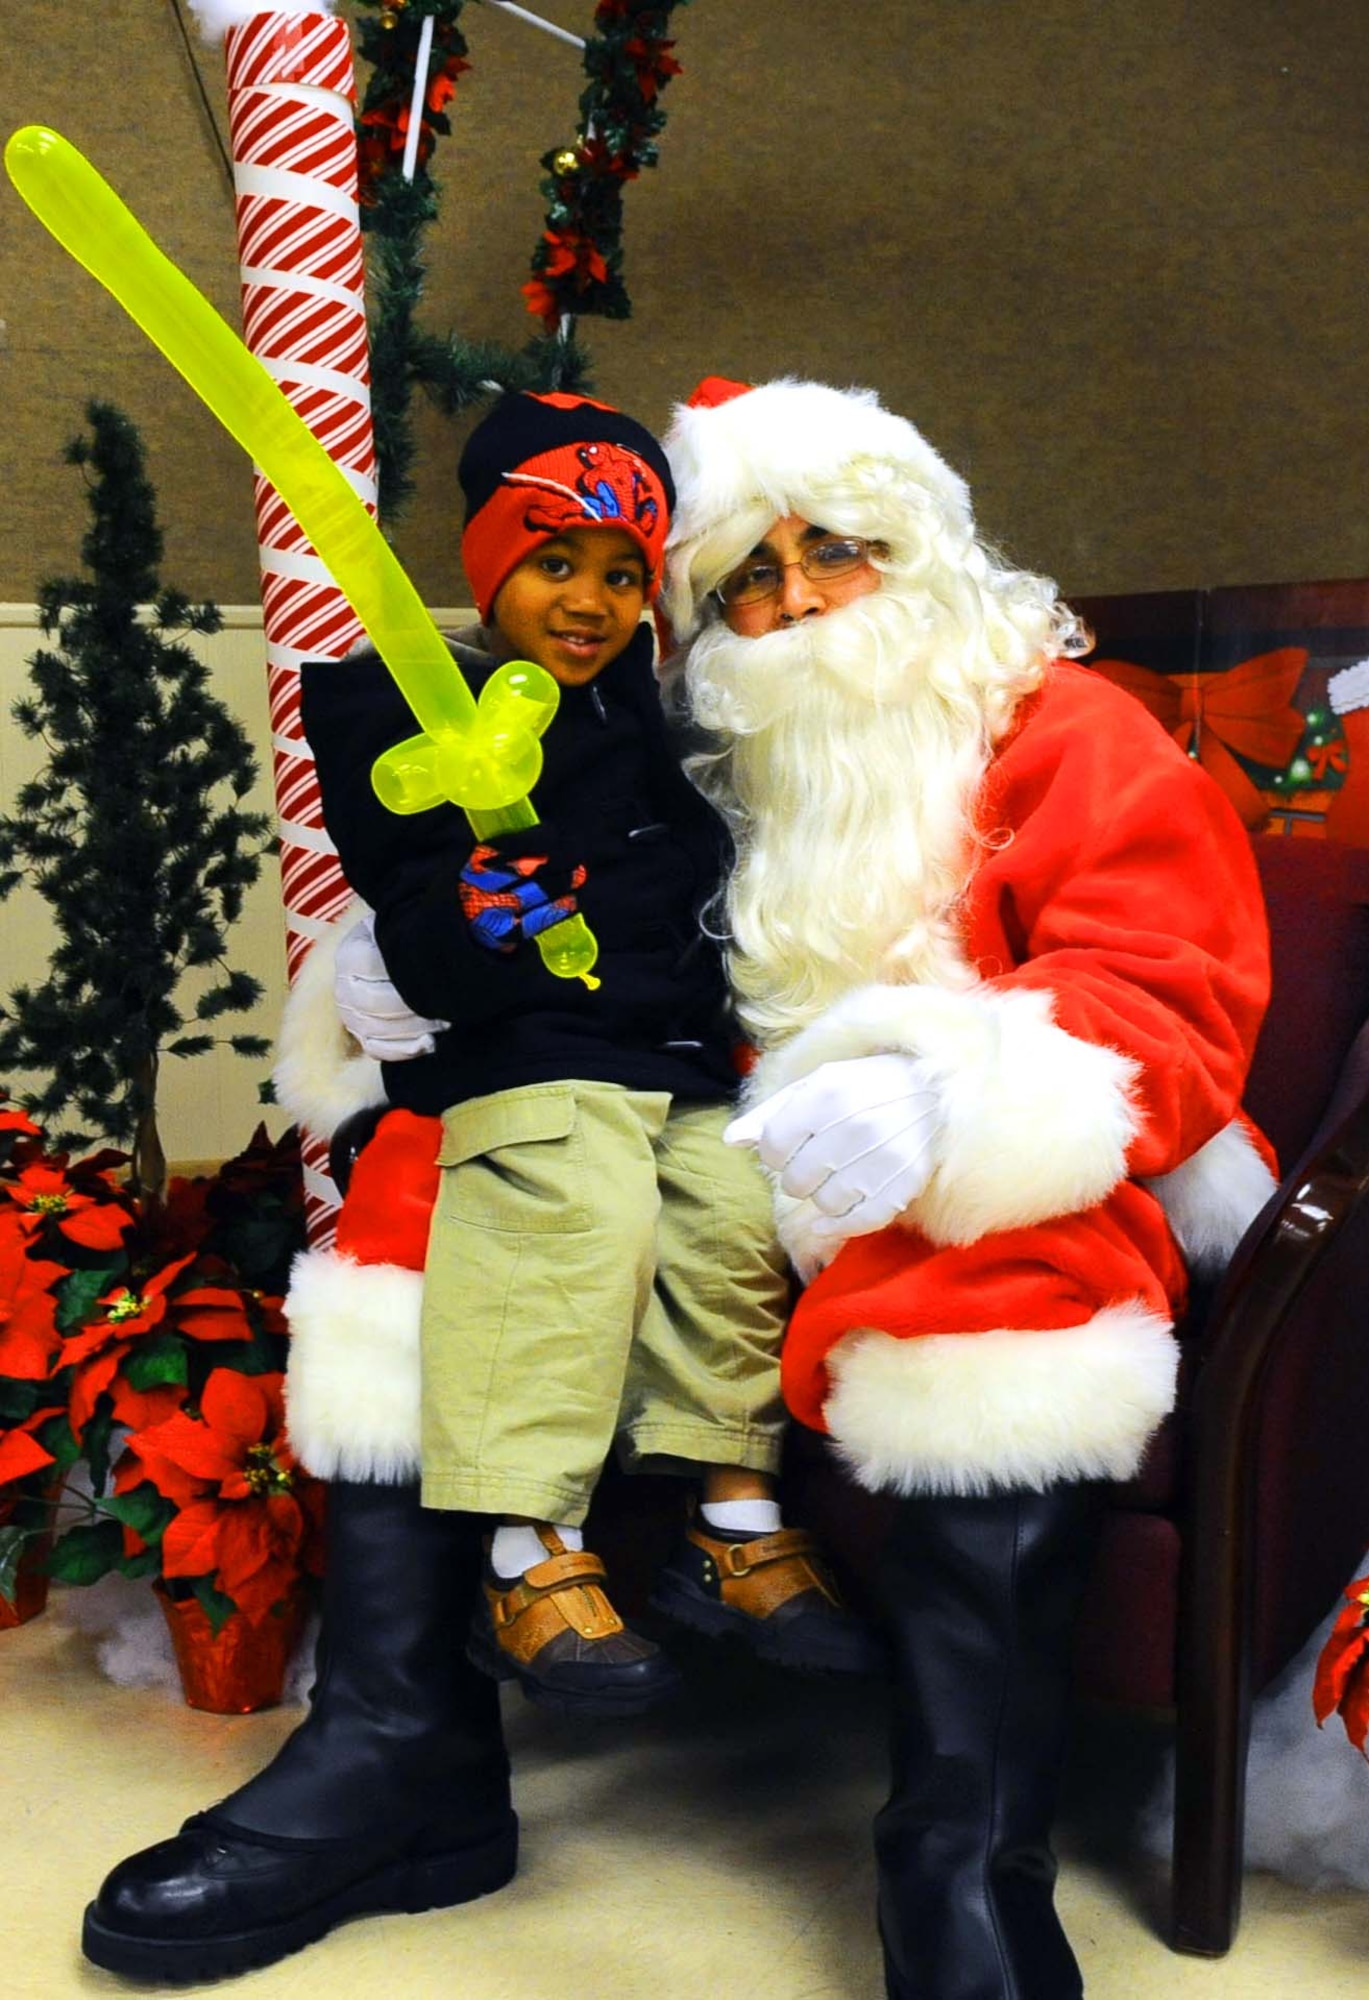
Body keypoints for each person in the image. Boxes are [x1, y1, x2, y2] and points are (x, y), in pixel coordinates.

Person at [79, 389, 868, 1984]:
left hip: (681, 1064)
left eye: (619, 572)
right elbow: (410, 932)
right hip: (515, 1067)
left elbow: (714, 896)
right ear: (489, 565)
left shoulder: (695, 727)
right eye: (551, 562)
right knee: (556, 1189)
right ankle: (517, 1565)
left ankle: (727, 1510)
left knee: (726, 1203)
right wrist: (478, 915)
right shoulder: (413, 711)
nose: (588, 600)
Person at [647, 374, 1275, 1998]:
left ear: (915, 547)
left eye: (832, 552)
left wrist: (941, 1098)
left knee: (991, 1285)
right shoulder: (731, 775)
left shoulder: (1070, 730)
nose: (795, 607)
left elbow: (1163, 982)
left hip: (1024, 1165)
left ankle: (962, 1869)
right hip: (744, 1171)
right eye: (750, 582)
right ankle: (396, 1755)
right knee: (462, 1172)